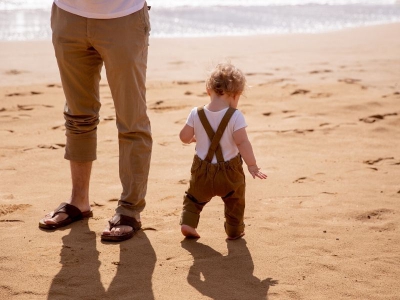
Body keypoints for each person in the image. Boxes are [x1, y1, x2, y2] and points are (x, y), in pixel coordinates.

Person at [38, 0, 152, 242]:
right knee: (78, 116)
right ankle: (79, 201)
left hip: (123, 18)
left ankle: (130, 210)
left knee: (132, 120)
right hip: (68, 16)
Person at [179, 62, 267, 240]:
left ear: (208, 90)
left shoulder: (196, 113)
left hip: (201, 172)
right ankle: (234, 230)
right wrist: (252, 165)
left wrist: (194, 138)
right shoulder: (236, 116)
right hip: (230, 174)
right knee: (235, 201)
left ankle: (188, 222)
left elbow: (184, 136)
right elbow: (242, 142)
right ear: (235, 95)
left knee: (193, 198)